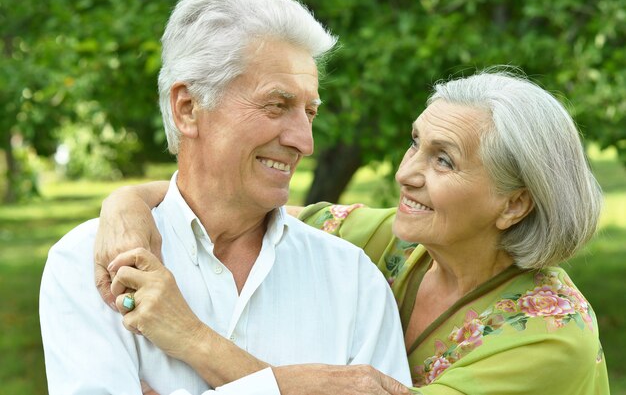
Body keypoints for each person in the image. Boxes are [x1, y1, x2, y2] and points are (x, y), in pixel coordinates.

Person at [95, 69, 611, 394]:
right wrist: (126, 203)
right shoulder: (396, 241)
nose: (407, 173)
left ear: (514, 204)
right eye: (416, 143)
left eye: (443, 161)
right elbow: (225, 204)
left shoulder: (551, 337)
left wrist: (189, 338)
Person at [39, 0, 411, 395]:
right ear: (189, 108)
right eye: (276, 105)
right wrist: (300, 386)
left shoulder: (353, 279)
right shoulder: (88, 265)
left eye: (310, 113)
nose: (305, 142)